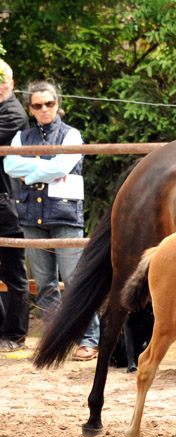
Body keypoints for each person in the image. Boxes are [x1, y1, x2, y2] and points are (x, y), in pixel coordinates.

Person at [4, 81, 100, 361]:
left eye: (49, 103)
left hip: (65, 213)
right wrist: (47, 167)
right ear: (30, 108)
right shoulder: (22, 137)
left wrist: (31, 170)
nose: (44, 109)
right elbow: (10, 166)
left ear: (57, 104)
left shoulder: (72, 135)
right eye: (37, 105)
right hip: (31, 217)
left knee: (75, 280)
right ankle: (55, 338)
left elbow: (62, 166)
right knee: (44, 283)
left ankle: (89, 338)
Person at [0, 59, 30, 353]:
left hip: (6, 202)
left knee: (13, 271)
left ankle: (16, 333)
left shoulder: (13, 113)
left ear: (11, 83)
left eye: (1, 80)